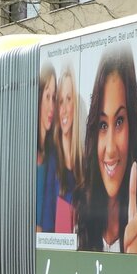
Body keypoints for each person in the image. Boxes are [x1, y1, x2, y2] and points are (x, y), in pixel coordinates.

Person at [76, 46, 137, 254]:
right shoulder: (76, 220)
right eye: (102, 125)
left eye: (119, 121)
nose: (110, 149)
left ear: (132, 125)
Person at [54, 64, 82, 234]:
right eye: (60, 101)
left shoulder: (85, 162)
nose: (64, 109)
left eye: (69, 99)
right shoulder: (51, 163)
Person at [35, 63, 58, 233]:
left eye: (54, 98)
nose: (52, 107)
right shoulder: (25, 154)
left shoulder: (53, 157)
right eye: (47, 96)